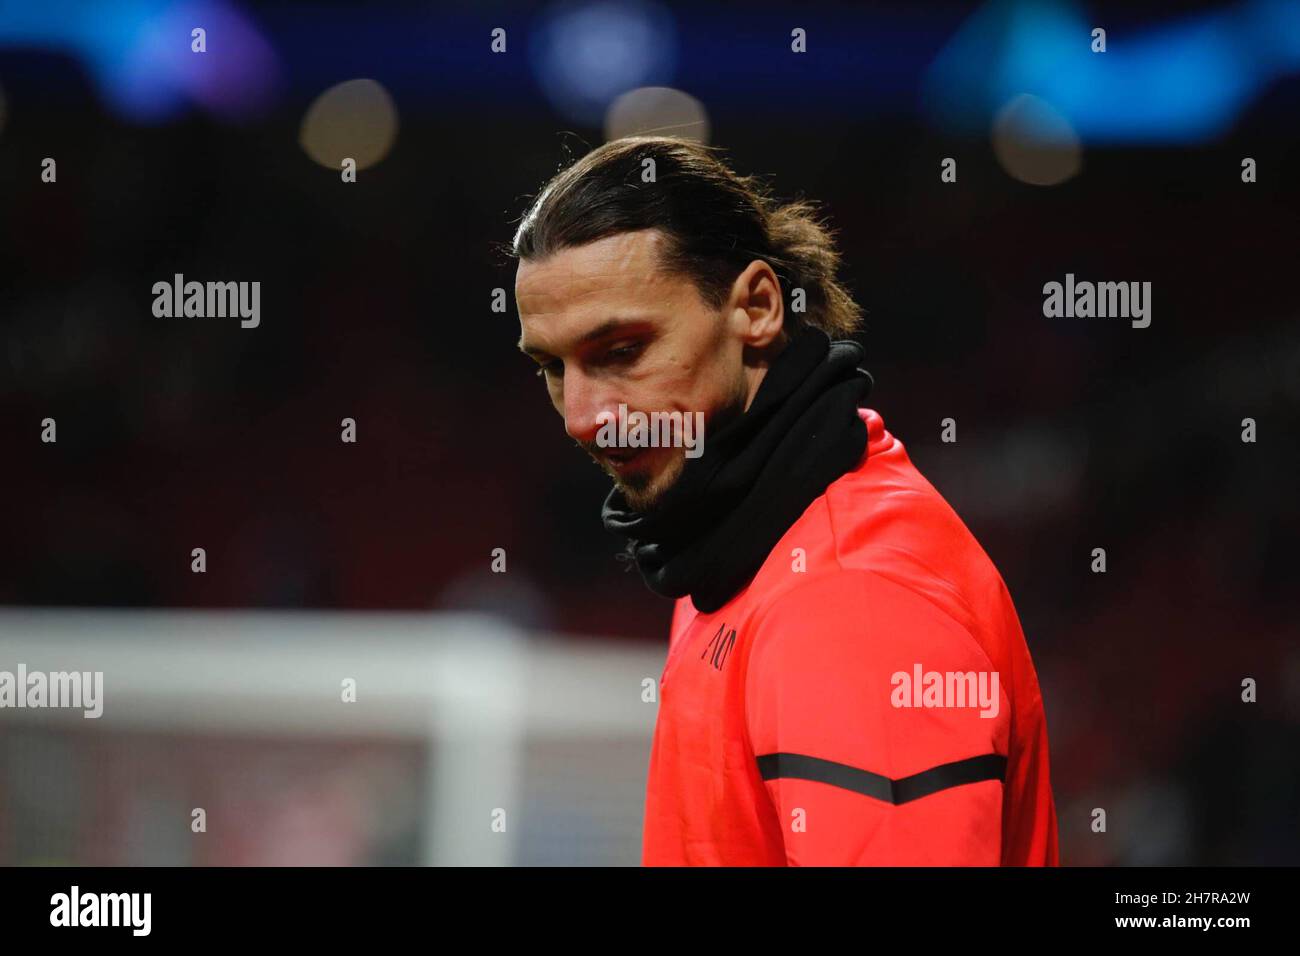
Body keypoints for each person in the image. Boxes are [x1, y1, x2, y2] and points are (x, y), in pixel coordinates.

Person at [509, 136, 1059, 865]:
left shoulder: (853, 599)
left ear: (758, 307)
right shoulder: (737, 538)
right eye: (553, 367)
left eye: (621, 351)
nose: (582, 414)